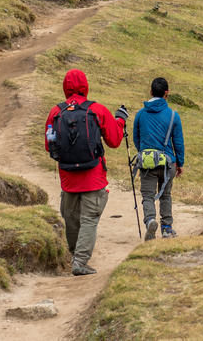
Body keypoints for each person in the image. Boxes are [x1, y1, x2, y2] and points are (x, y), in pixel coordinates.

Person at [45, 69, 127, 275]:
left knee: (71, 218)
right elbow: (115, 141)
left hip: (67, 178)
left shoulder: (56, 112)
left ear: (65, 87)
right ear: (85, 87)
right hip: (94, 176)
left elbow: (49, 146)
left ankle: (75, 255)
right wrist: (120, 120)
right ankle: (79, 262)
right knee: (89, 219)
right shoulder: (97, 110)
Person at [133, 77, 185, 241]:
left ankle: (150, 220)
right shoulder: (173, 115)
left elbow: (136, 138)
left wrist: (144, 153)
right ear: (166, 94)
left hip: (147, 161)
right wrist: (180, 162)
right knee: (165, 195)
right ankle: (167, 228)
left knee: (147, 196)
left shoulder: (140, 114)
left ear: (150, 92)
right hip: (168, 161)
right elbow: (178, 142)